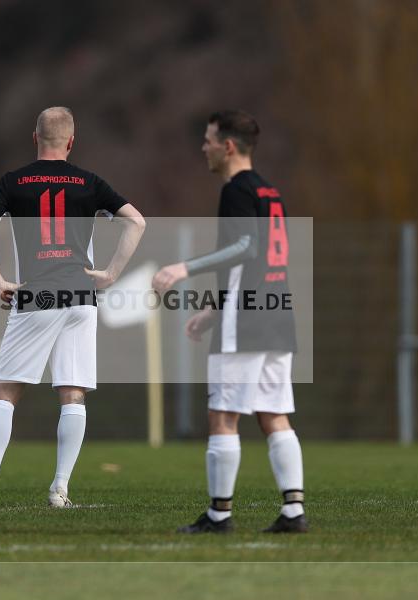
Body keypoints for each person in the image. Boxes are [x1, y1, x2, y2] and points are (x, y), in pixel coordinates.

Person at [0, 106, 145, 509]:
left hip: (36, 295)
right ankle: (60, 490)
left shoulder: (13, 182)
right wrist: (110, 274)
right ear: (71, 142)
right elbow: (136, 221)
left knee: (7, 391)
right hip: (81, 296)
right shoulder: (89, 182)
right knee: (73, 393)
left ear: (35, 138)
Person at [152, 110, 306, 534]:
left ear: (229, 146)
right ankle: (293, 511)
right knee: (274, 413)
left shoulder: (236, 190)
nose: (204, 147)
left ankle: (219, 515)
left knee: (222, 415)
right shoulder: (270, 191)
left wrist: (184, 268)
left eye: (208, 140)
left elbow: (245, 247)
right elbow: (264, 260)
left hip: (247, 320)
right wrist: (215, 311)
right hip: (276, 313)